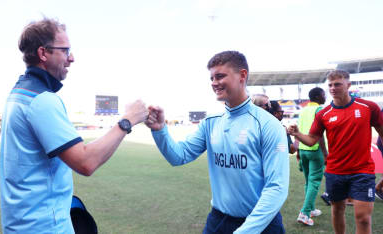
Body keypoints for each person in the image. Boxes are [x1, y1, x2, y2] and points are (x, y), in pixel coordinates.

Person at [0, 18, 148, 233]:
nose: (72, 58)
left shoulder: (18, 93)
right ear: (43, 53)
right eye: (66, 50)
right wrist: (128, 120)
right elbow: (86, 162)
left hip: (21, 224)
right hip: (44, 227)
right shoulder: (42, 100)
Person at [146, 51, 289, 233]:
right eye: (212, 78)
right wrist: (160, 131)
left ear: (242, 76)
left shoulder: (267, 125)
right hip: (218, 221)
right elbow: (178, 156)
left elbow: (276, 187)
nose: (214, 83)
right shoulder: (211, 122)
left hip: (262, 224)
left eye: (220, 76)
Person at [288, 70, 383, 234]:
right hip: (335, 171)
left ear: (348, 85)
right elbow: (312, 139)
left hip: (362, 171)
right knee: (337, 211)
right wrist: (297, 134)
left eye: (337, 84)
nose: (333, 88)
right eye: (330, 85)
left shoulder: (369, 107)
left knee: (363, 217)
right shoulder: (323, 114)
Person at [294, 87, 328, 226]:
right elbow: (318, 134)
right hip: (315, 150)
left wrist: (297, 151)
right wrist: (325, 152)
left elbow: (298, 131)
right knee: (314, 182)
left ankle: (311, 209)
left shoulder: (303, 110)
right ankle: (305, 213)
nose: (325, 96)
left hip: (303, 149)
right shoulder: (319, 110)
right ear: (319, 96)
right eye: (323, 94)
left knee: (309, 181)